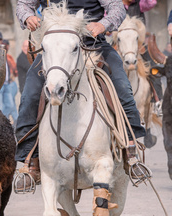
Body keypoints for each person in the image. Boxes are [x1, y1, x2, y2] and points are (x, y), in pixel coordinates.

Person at [15, 0, 146, 190]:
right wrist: (27, 16)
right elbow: (23, 4)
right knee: (29, 96)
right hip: (55, 50)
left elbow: (116, 7)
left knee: (123, 88)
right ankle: (30, 162)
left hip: (92, 44)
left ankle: (130, 151)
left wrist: (102, 24)